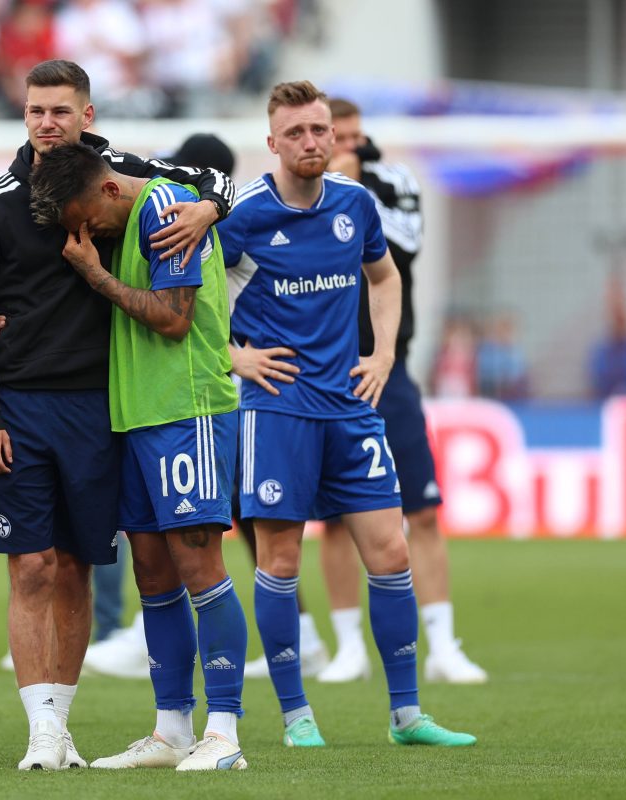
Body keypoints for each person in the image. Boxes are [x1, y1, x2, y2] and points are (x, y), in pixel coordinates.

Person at [0, 59, 233, 771]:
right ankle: (49, 732)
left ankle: (184, 731)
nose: (47, 122)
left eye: (60, 111)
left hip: (110, 409)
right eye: (35, 110)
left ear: (87, 115)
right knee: (37, 566)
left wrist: (209, 206)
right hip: (23, 409)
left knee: (85, 566)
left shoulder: (127, 177)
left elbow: (214, 181)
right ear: (24, 114)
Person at [218, 80, 475, 747]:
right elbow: (187, 299)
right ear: (271, 142)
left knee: (390, 553)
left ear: (334, 136)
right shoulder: (244, 215)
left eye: (319, 130)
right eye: (295, 133)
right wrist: (234, 359)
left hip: (351, 408)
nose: (309, 142)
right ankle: (297, 716)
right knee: (278, 561)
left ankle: (407, 716)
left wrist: (383, 352)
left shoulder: (356, 204)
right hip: (276, 412)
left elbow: (385, 277)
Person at [31, 143, 248, 771]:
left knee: (198, 563)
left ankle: (225, 734)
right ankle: (173, 729)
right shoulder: (128, 216)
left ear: (107, 191)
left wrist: (94, 275)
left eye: (87, 219)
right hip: (137, 417)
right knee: (152, 572)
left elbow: (174, 320)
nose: (86, 233)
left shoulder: (165, 210)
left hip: (187, 410)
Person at [313, 98, 487, 685]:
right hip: (327, 376)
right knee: (335, 520)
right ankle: (347, 647)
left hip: (391, 370)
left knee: (423, 510)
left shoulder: (393, 182)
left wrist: (354, 187)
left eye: (359, 137)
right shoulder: (302, 195)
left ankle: (443, 644)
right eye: (344, 138)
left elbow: (404, 249)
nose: (353, 147)